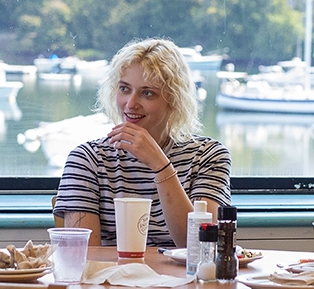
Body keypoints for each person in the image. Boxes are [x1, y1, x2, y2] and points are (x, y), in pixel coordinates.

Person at [54, 38, 231, 247]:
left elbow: (202, 248)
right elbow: (84, 258)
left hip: (185, 280)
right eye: (124, 89)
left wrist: (161, 167)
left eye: (147, 93)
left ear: (174, 99)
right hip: (111, 279)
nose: (130, 104)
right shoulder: (87, 159)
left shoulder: (208, 155)